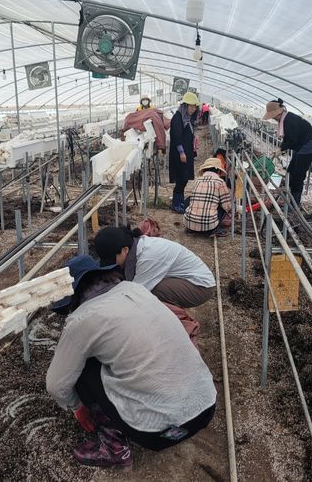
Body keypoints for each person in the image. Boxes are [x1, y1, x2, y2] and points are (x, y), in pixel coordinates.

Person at [46, 255, 217, 467]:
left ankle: (114, 447)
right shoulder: (136, 289)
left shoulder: (82, 320)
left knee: (82, 369)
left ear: (72, 297)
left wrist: (77, 407)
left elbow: (55, 384)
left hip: (156, 434)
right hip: (206, 408)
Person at [93, 225, 215, 309]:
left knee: (148, 293)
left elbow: (134, 293)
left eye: (112, 259)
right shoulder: (135, 247)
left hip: (201, 286)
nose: (113, 263)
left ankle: (173, 320)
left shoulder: (148, 256)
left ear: (125, 250)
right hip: (180, 279)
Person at [263, 98, 312, 206]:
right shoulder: (286, 119)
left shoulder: (289, 120)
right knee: (290, 172)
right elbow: (288, 138)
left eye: (273, 116)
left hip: (308, 148)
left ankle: (295, 204)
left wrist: (281, 149)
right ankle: (289, 198)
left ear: (277, 113)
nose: (274, 119)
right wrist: (280, 148)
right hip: (301, 148)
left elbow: (292, 139)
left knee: (298, 176)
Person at [169, 92, 200, 213]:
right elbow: (176, 137)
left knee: (185, 178)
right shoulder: (177, 117)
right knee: (181, 178)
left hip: (187, 153)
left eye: (194, 106)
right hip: (180, 154)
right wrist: (182, 153)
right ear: (185, 105)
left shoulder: (187, 118)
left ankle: (180, 202)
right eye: (191, 106)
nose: (193, 109)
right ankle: (176, 204)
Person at [184, 158, 232, 236]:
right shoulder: (220, 182)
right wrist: (232, 212)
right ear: (219, 171)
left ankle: (192, 227)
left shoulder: (198, 180)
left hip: (189, 224)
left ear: (204, 170)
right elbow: (227, 206)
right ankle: (214, 229)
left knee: (189, 199)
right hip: (209, 227)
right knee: (223, 204)